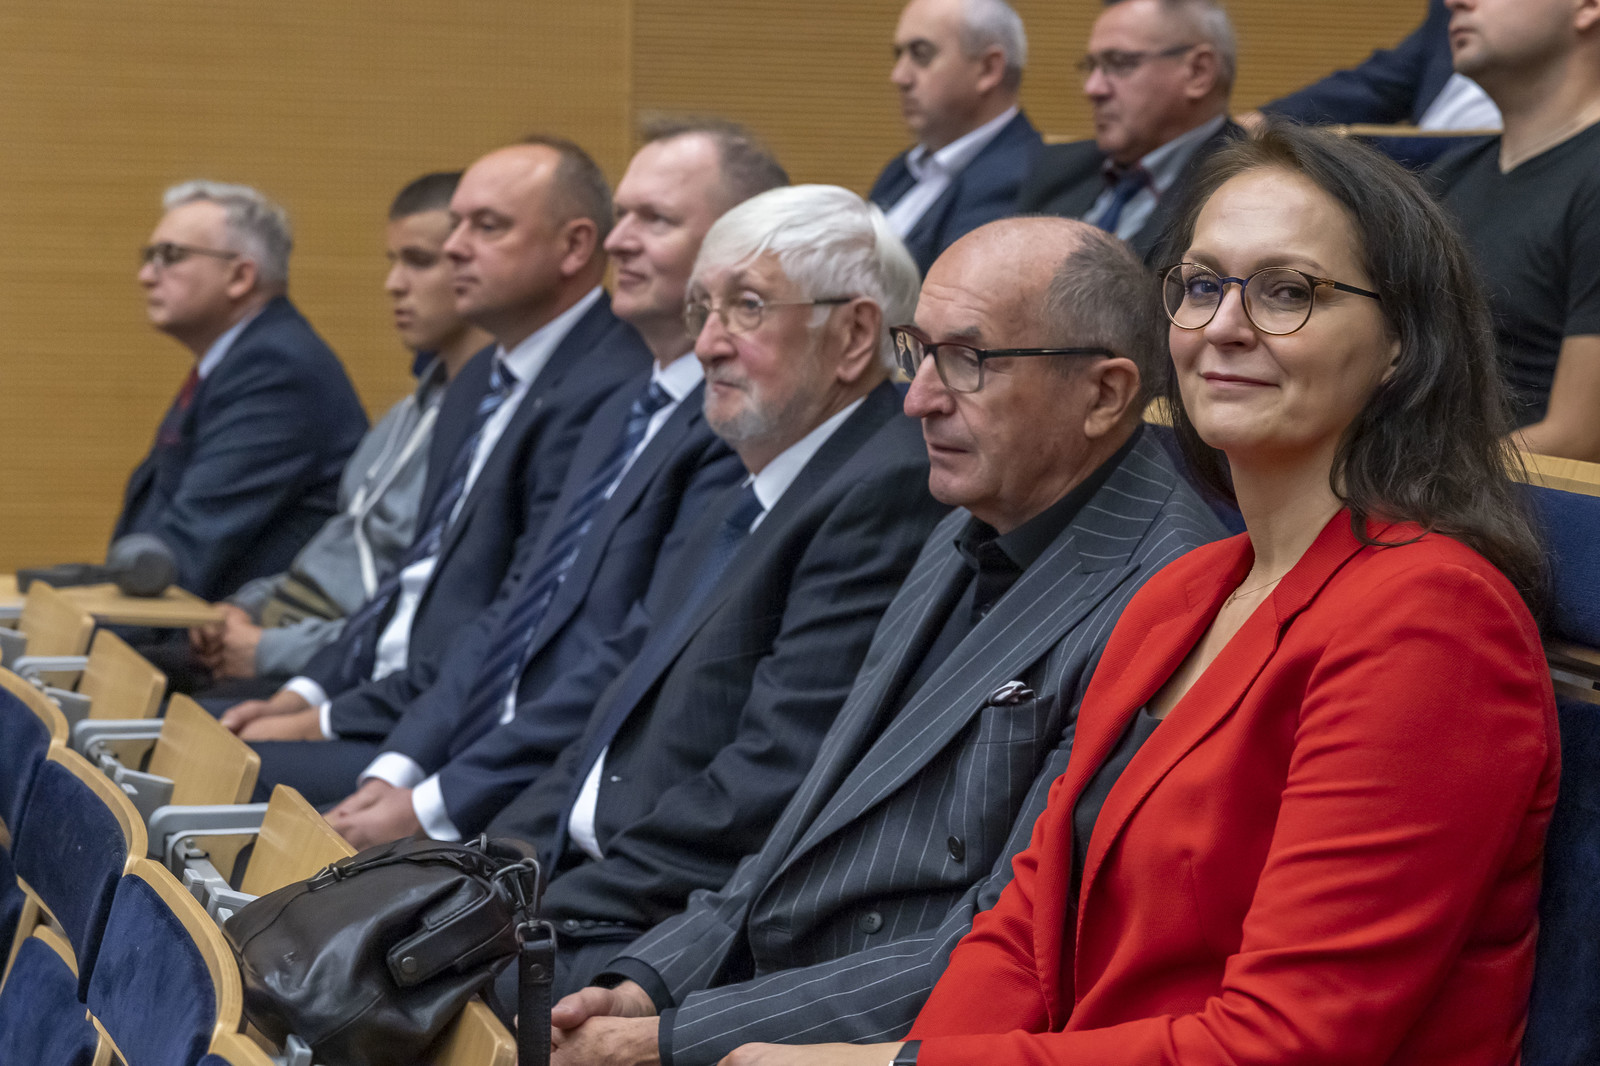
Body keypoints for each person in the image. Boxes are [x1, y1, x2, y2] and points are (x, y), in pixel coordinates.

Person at [742, 122, 1556, 1066]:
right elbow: (1022, 935)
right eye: (1202, 286)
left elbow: (1288, 1043)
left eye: (1287, 291)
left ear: (1402, 347)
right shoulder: (1181, 594)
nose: (1223, 326)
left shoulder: (1434, 621)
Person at [547, 217, 1226, 1066]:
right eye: (918, 352)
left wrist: (671, 1039)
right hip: (764, 990)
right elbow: (805, 827)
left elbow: (1005, 947)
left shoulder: (1171, 594)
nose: (917, 398)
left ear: (1104, 395)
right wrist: (648, 983)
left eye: (967, 360)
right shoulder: (963, 522)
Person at [465, 184, 950, 1002]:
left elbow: (770, 782)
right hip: (593, 890)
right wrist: (497, 866)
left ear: (854, 334)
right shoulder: (747, 486)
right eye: (703, 310)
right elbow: (605, 721)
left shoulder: (883, 490)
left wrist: (532, 908)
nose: (708, 344)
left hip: (679, 934)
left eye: (747, 307)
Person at [250, 119, 784, 815]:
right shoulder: (623, 408)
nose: (619, 240)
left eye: (654, 219)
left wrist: (432, 804)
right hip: (459, 745)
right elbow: (511, 610)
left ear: (742, 247)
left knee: (226, 787)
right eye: (623, 214)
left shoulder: (730, 427)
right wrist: (398, 766)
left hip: (556, 788)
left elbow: (622, 658)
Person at [218, 137, 652, 745]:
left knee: (202, 768)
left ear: (575, 246)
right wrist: (303, 695)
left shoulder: (613, 388)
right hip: (378, 691)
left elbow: (514, 615)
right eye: (456, 226)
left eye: (487, 226)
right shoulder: (477, 381)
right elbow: (412, 575)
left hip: (455, 728)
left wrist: (323, 723)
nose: (455, 247)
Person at [191, 171, 492, 687]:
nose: (394, 283)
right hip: (286, 633)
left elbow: (421, 617)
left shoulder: (488, 431)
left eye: (419, 261)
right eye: (393, 261)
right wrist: (244, 608)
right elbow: (342, 548)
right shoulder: (404, 416)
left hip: (335, 670)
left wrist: (273, 650)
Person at [115, 180, 368, 601]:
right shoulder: (236, 361)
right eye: (149, 257)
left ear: (240, 276)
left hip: (240, 632)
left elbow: (186, 549)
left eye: (170, 256)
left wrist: (97, 625)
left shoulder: (275, 369)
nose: (146, 276)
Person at [1430, 0, 1600, 460]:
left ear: (1588, 7)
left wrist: (1404, 483)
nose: (1454, 2)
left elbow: (1581, 439)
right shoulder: (1446, 179)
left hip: (1529, 496)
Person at [1016, 0, 1240, 263]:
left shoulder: (1244, 185)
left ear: (1198, 72)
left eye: (1119, 63)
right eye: (1092, 66)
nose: (1093, 88)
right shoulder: (1057, 169)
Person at [869, 0, 1042, 275]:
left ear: (988, 69)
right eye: (898, 55)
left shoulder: (1027, 178)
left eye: (921, 54)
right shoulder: (901, 170)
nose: (899, 77)